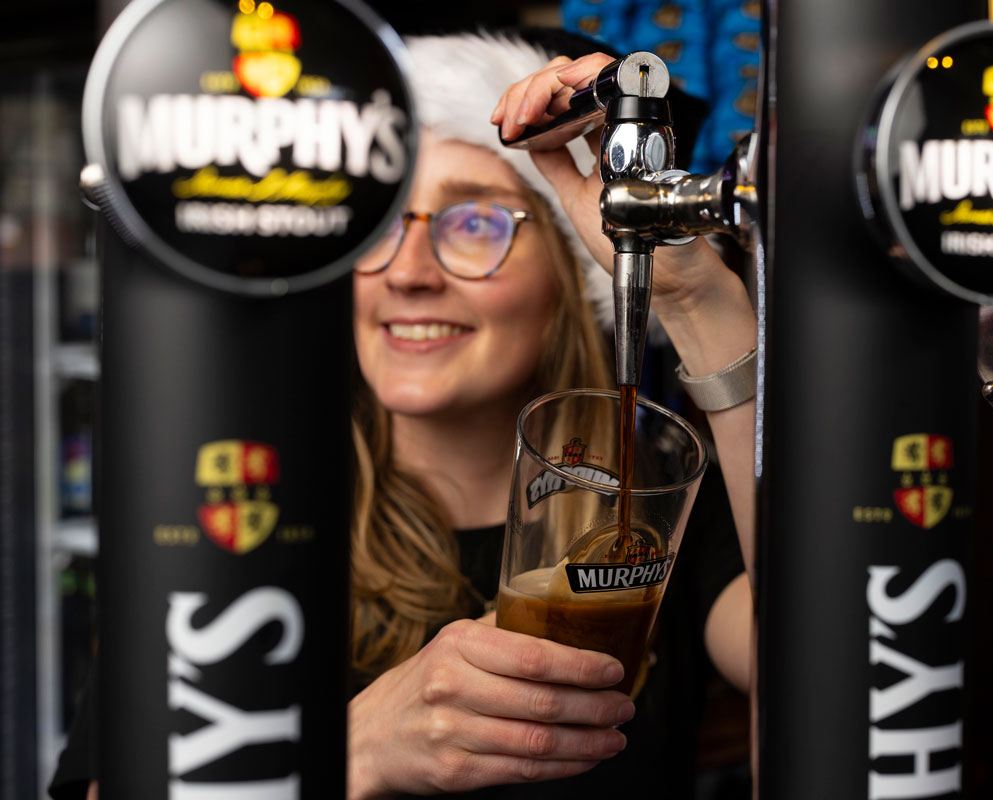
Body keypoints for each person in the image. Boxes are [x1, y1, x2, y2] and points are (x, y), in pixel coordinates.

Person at [51, 27, 757, 800]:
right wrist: (357, 750)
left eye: (476, 223)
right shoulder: (242, 518)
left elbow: (828, 669)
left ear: (569, 274)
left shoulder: (657, 506)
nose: (410, 275)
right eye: (383, 227)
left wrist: (694, 295)